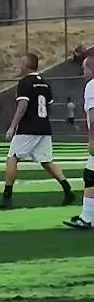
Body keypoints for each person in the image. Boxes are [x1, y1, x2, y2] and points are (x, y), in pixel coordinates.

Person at [0, 53, 75, 209]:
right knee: (46, 161)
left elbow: (23, 105)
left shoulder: (25, 82)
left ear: (27, 65)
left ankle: (6, 197)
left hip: (28, 128)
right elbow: (48, 105)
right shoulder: (45, 83)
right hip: (44, 127)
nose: (19, 66)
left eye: (21, 63)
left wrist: (12, 126)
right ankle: (68, 190)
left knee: (12, 157)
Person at [63, 55, 94, 229]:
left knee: (91, 176)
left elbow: (93, 115)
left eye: (85, 69)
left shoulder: (92, 85)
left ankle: (88, 217)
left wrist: (92, 139)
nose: (83, 73)